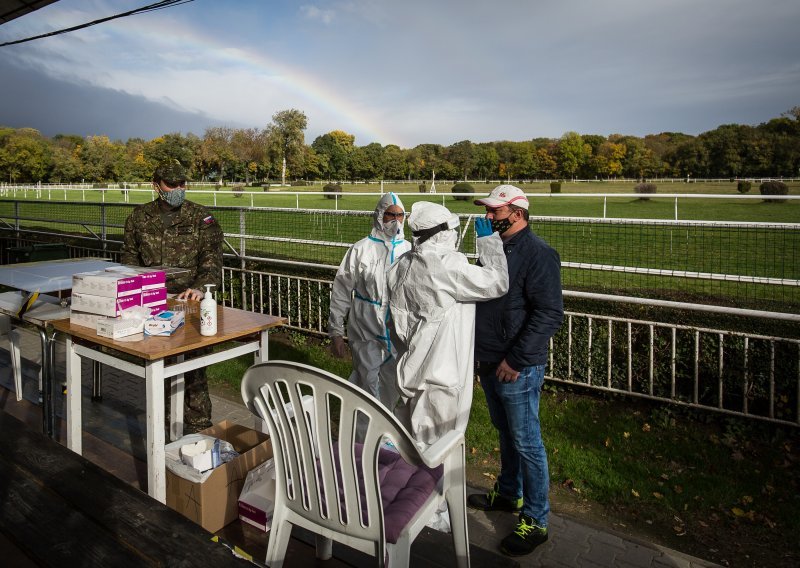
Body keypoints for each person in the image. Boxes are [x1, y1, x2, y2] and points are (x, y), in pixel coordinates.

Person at [467, 184, 564, 557]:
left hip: (515, 366)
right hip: (490, 359)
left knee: (526, 441)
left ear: (518, 214)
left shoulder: (539, 254)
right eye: (488, 212)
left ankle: (536, 519)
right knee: (505, 433)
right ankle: (508, 493)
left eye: (495, 212)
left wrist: (516, 359)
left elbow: (549, 313)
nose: (488, 218)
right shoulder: (495, 248)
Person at [387, 201, 508, 448]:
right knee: (436, 451)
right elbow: (496, 282)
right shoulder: (447, 265)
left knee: (410, 438)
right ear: (441, 232)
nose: (455, 233)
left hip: (411, 367)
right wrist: (488, 243)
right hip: (442, 375)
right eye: (452, 228)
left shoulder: (402, 264)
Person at [120, 159, 223, 433]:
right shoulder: (138, 218)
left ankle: (200, 425)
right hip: (152, 302)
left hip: (190, 303)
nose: (179, 188)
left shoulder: (201, 217)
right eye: (172, 184)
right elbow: (129, 259)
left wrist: (202, 287)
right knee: (158, 363)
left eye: (182, 183)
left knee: (194, 367)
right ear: (156, 186)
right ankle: (163, 425)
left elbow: (211, 259)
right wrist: (136, 292)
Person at [328, 193, 411, 410]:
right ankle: (363, 436)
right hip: (365, 327)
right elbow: (341, 290)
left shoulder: (410, 250)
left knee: (395, 382)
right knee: (367, 381)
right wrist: (336, 332)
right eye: (390, 214)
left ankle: (388, 432)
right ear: (379, 215)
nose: (395, 220)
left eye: (400, 215)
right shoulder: (361, 249)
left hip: (398, 330)